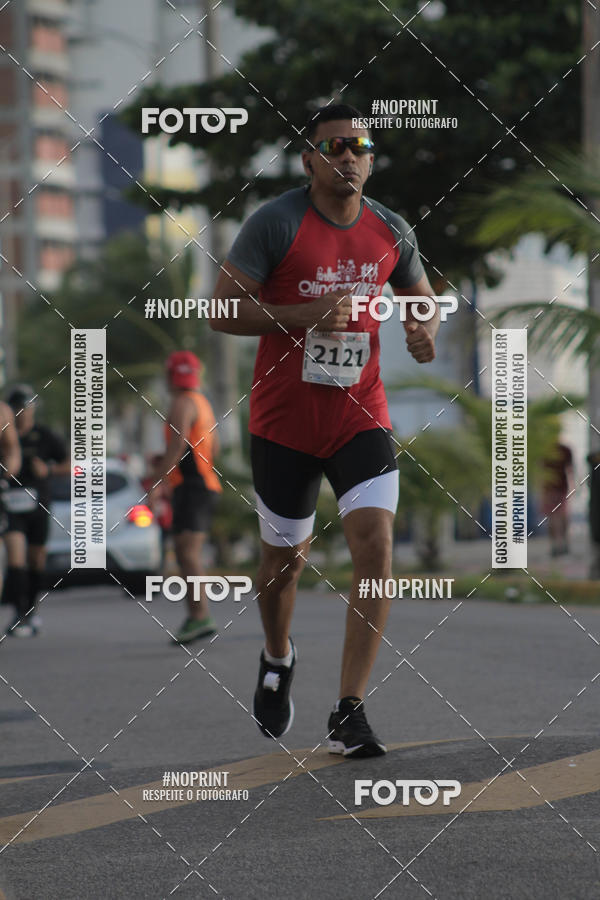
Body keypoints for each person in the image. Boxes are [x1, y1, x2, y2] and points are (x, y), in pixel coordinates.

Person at [210, 104, 441, 757]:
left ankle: (349, 707)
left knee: (376, 546)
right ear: (309, 159)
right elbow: (221, 310)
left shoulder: (390, 229)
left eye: (359, 145)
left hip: (360, 413)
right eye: (334, 146)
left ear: (371, 159)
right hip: (284, 422)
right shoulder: (276, 223)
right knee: (283, 564)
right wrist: (304, 313)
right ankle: (277, 654)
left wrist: (424, 329)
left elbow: (423, 301)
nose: (348, 156)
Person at [150, 352, 222, 644]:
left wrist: (157, 482)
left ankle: (200, 616)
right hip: (200, 483)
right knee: (184, 552)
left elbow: (178, 444)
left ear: (170, 376)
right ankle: (196, 616)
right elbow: (212, 449)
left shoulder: (182, 403)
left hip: (194, 485)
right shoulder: (202, 402)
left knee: (188, 553)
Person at [3, 385, 69, 637]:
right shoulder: (5, 431)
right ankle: (19, 613)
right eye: (18, 408)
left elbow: (70, 464)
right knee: (15, 556)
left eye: (27, 408)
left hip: (38, 505)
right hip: (10, 506)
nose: (23, 413)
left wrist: (49, 470)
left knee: (36, 559)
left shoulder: (44, 435)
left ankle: (31, 610)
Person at [542, 441, 573, 556]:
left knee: (555, 517)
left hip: (555, 488)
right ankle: (560, 544)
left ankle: (557, 545)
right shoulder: (564, 449)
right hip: (555, 488)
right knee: (558, 516)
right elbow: (570, 470)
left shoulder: (563, 450)